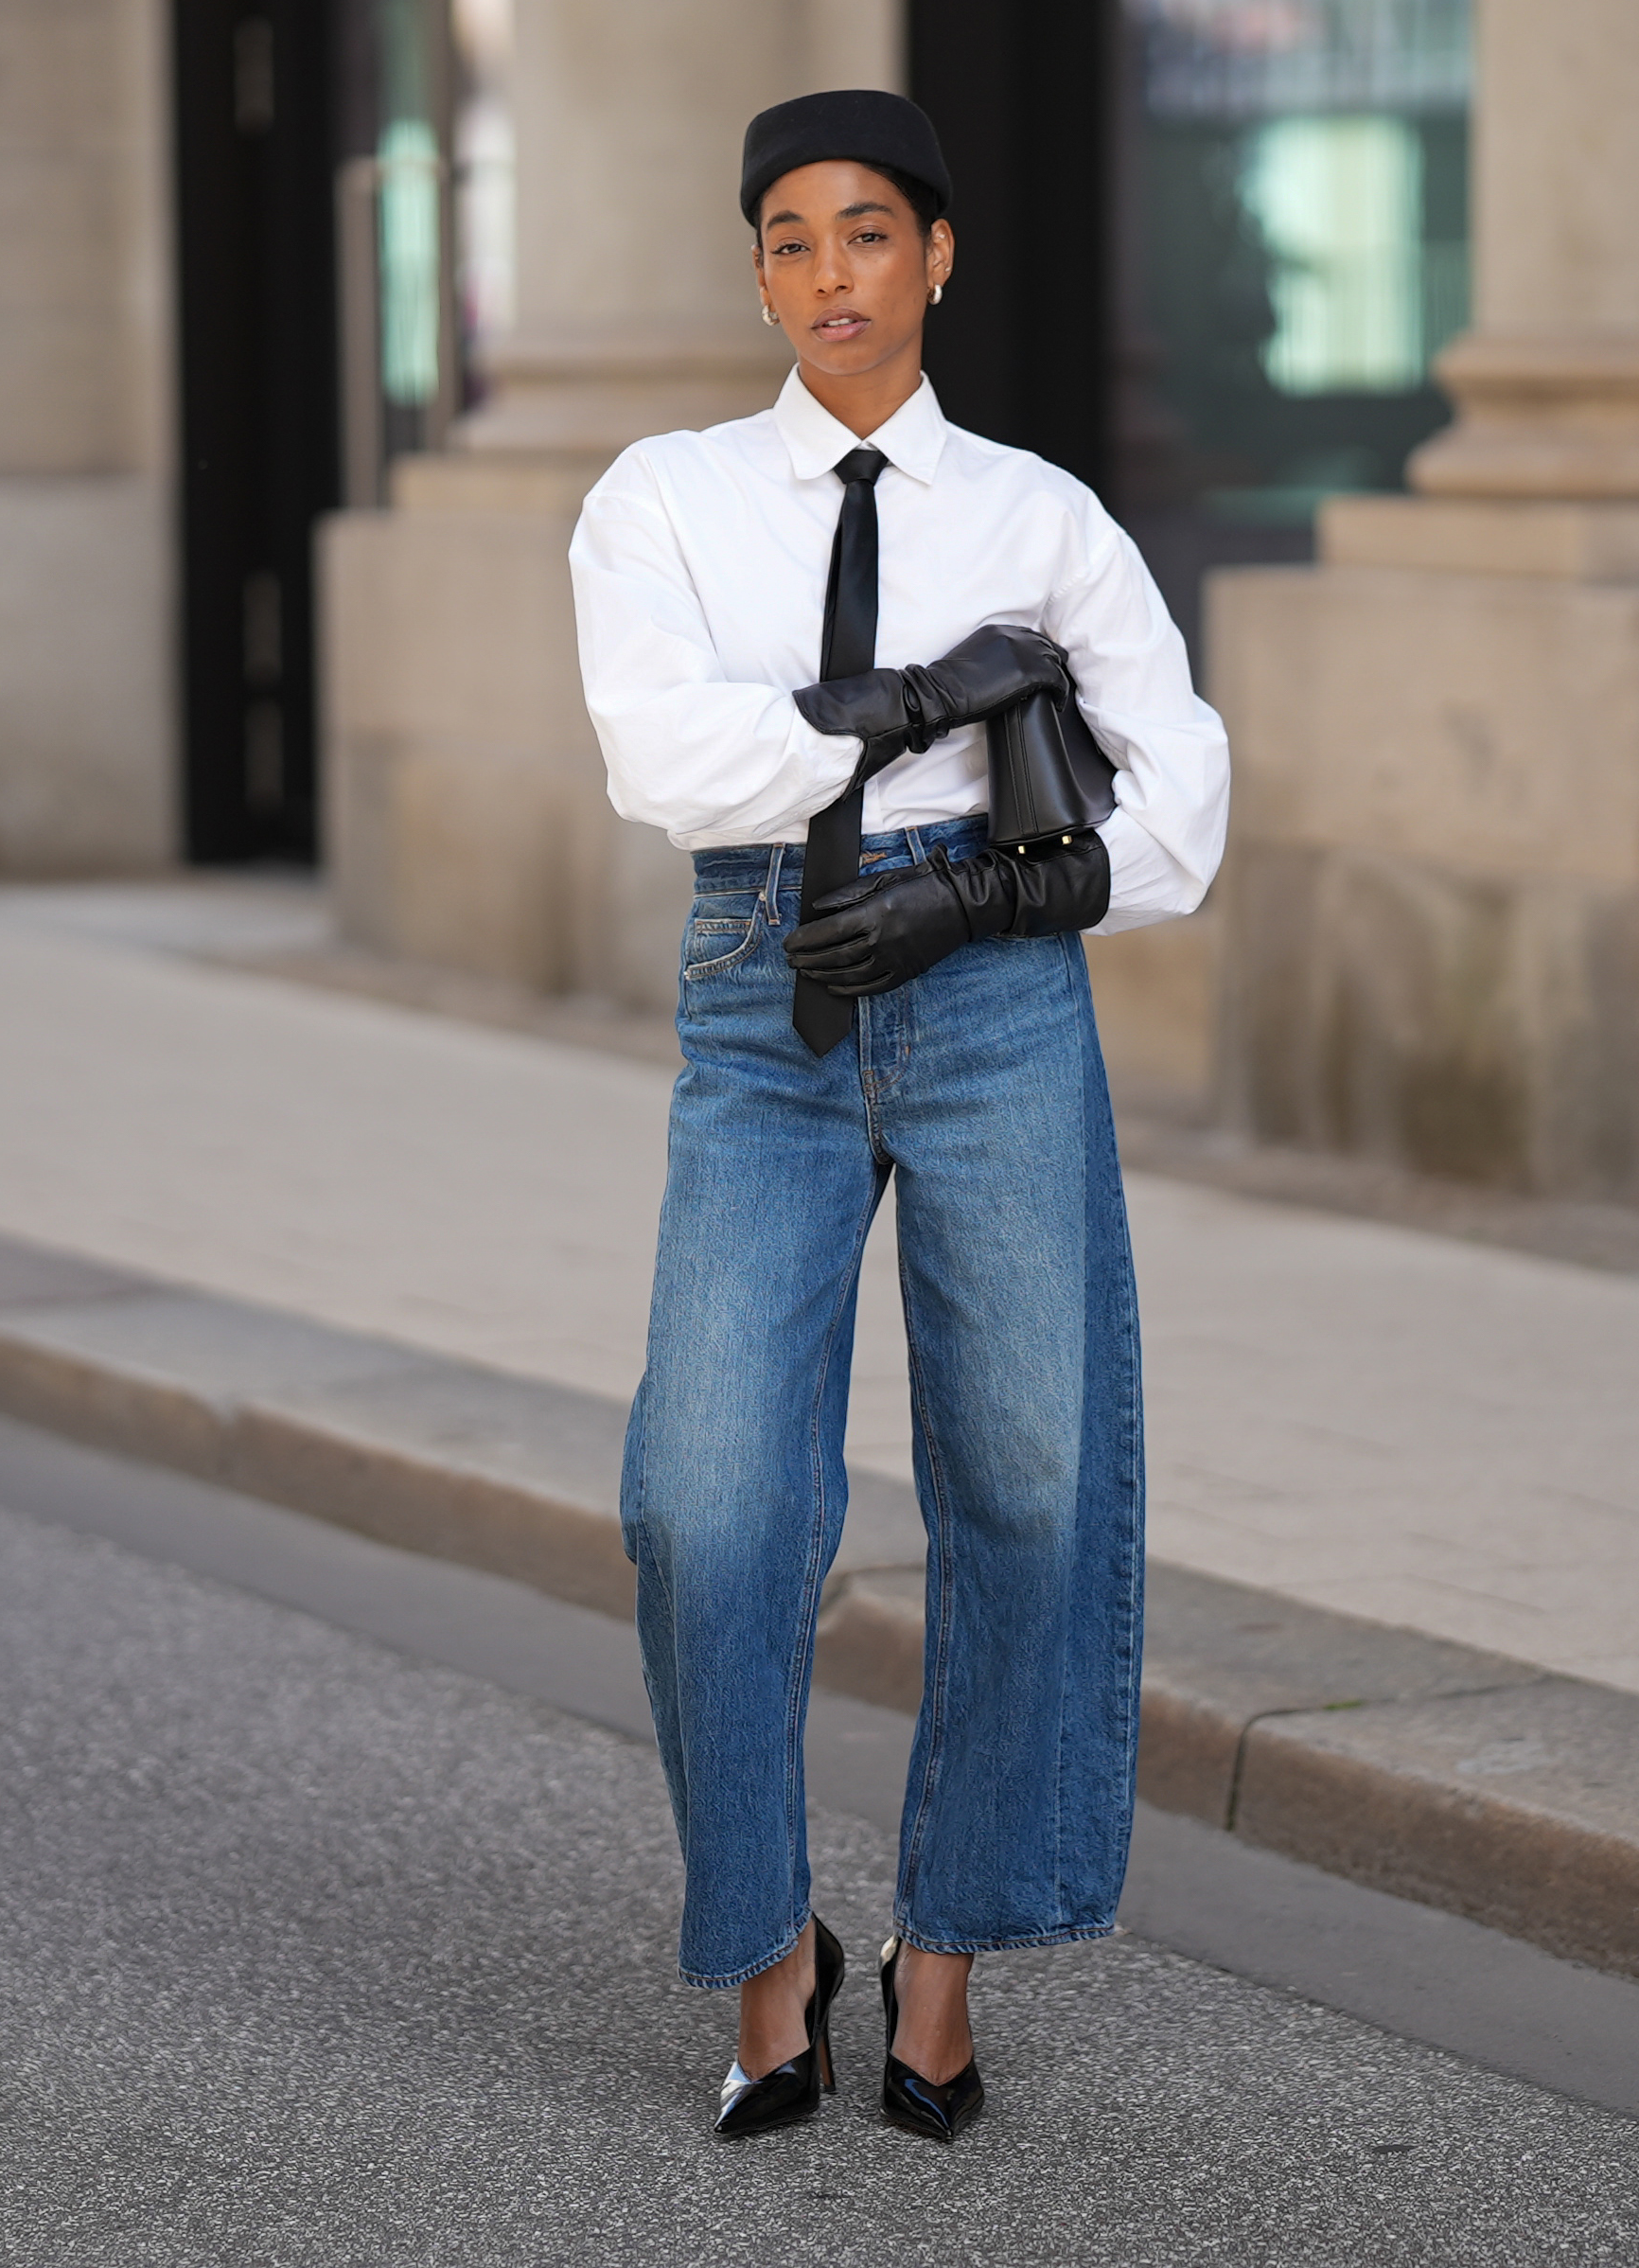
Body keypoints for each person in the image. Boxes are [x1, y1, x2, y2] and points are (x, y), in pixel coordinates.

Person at [567, 87, 1229, 2142]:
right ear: (757, 273)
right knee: (702, 1495)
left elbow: (1184, 804)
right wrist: (923, 706)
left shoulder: (1041, 517)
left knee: (1029, 1475)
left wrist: (991, 893)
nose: (827, 274)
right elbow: (664, 759)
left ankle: (942, 1959)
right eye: (787, 239)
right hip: (761, 990)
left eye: (865, 231)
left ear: (936, 254)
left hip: (995, 998)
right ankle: (770, 1947)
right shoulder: (665, 496)